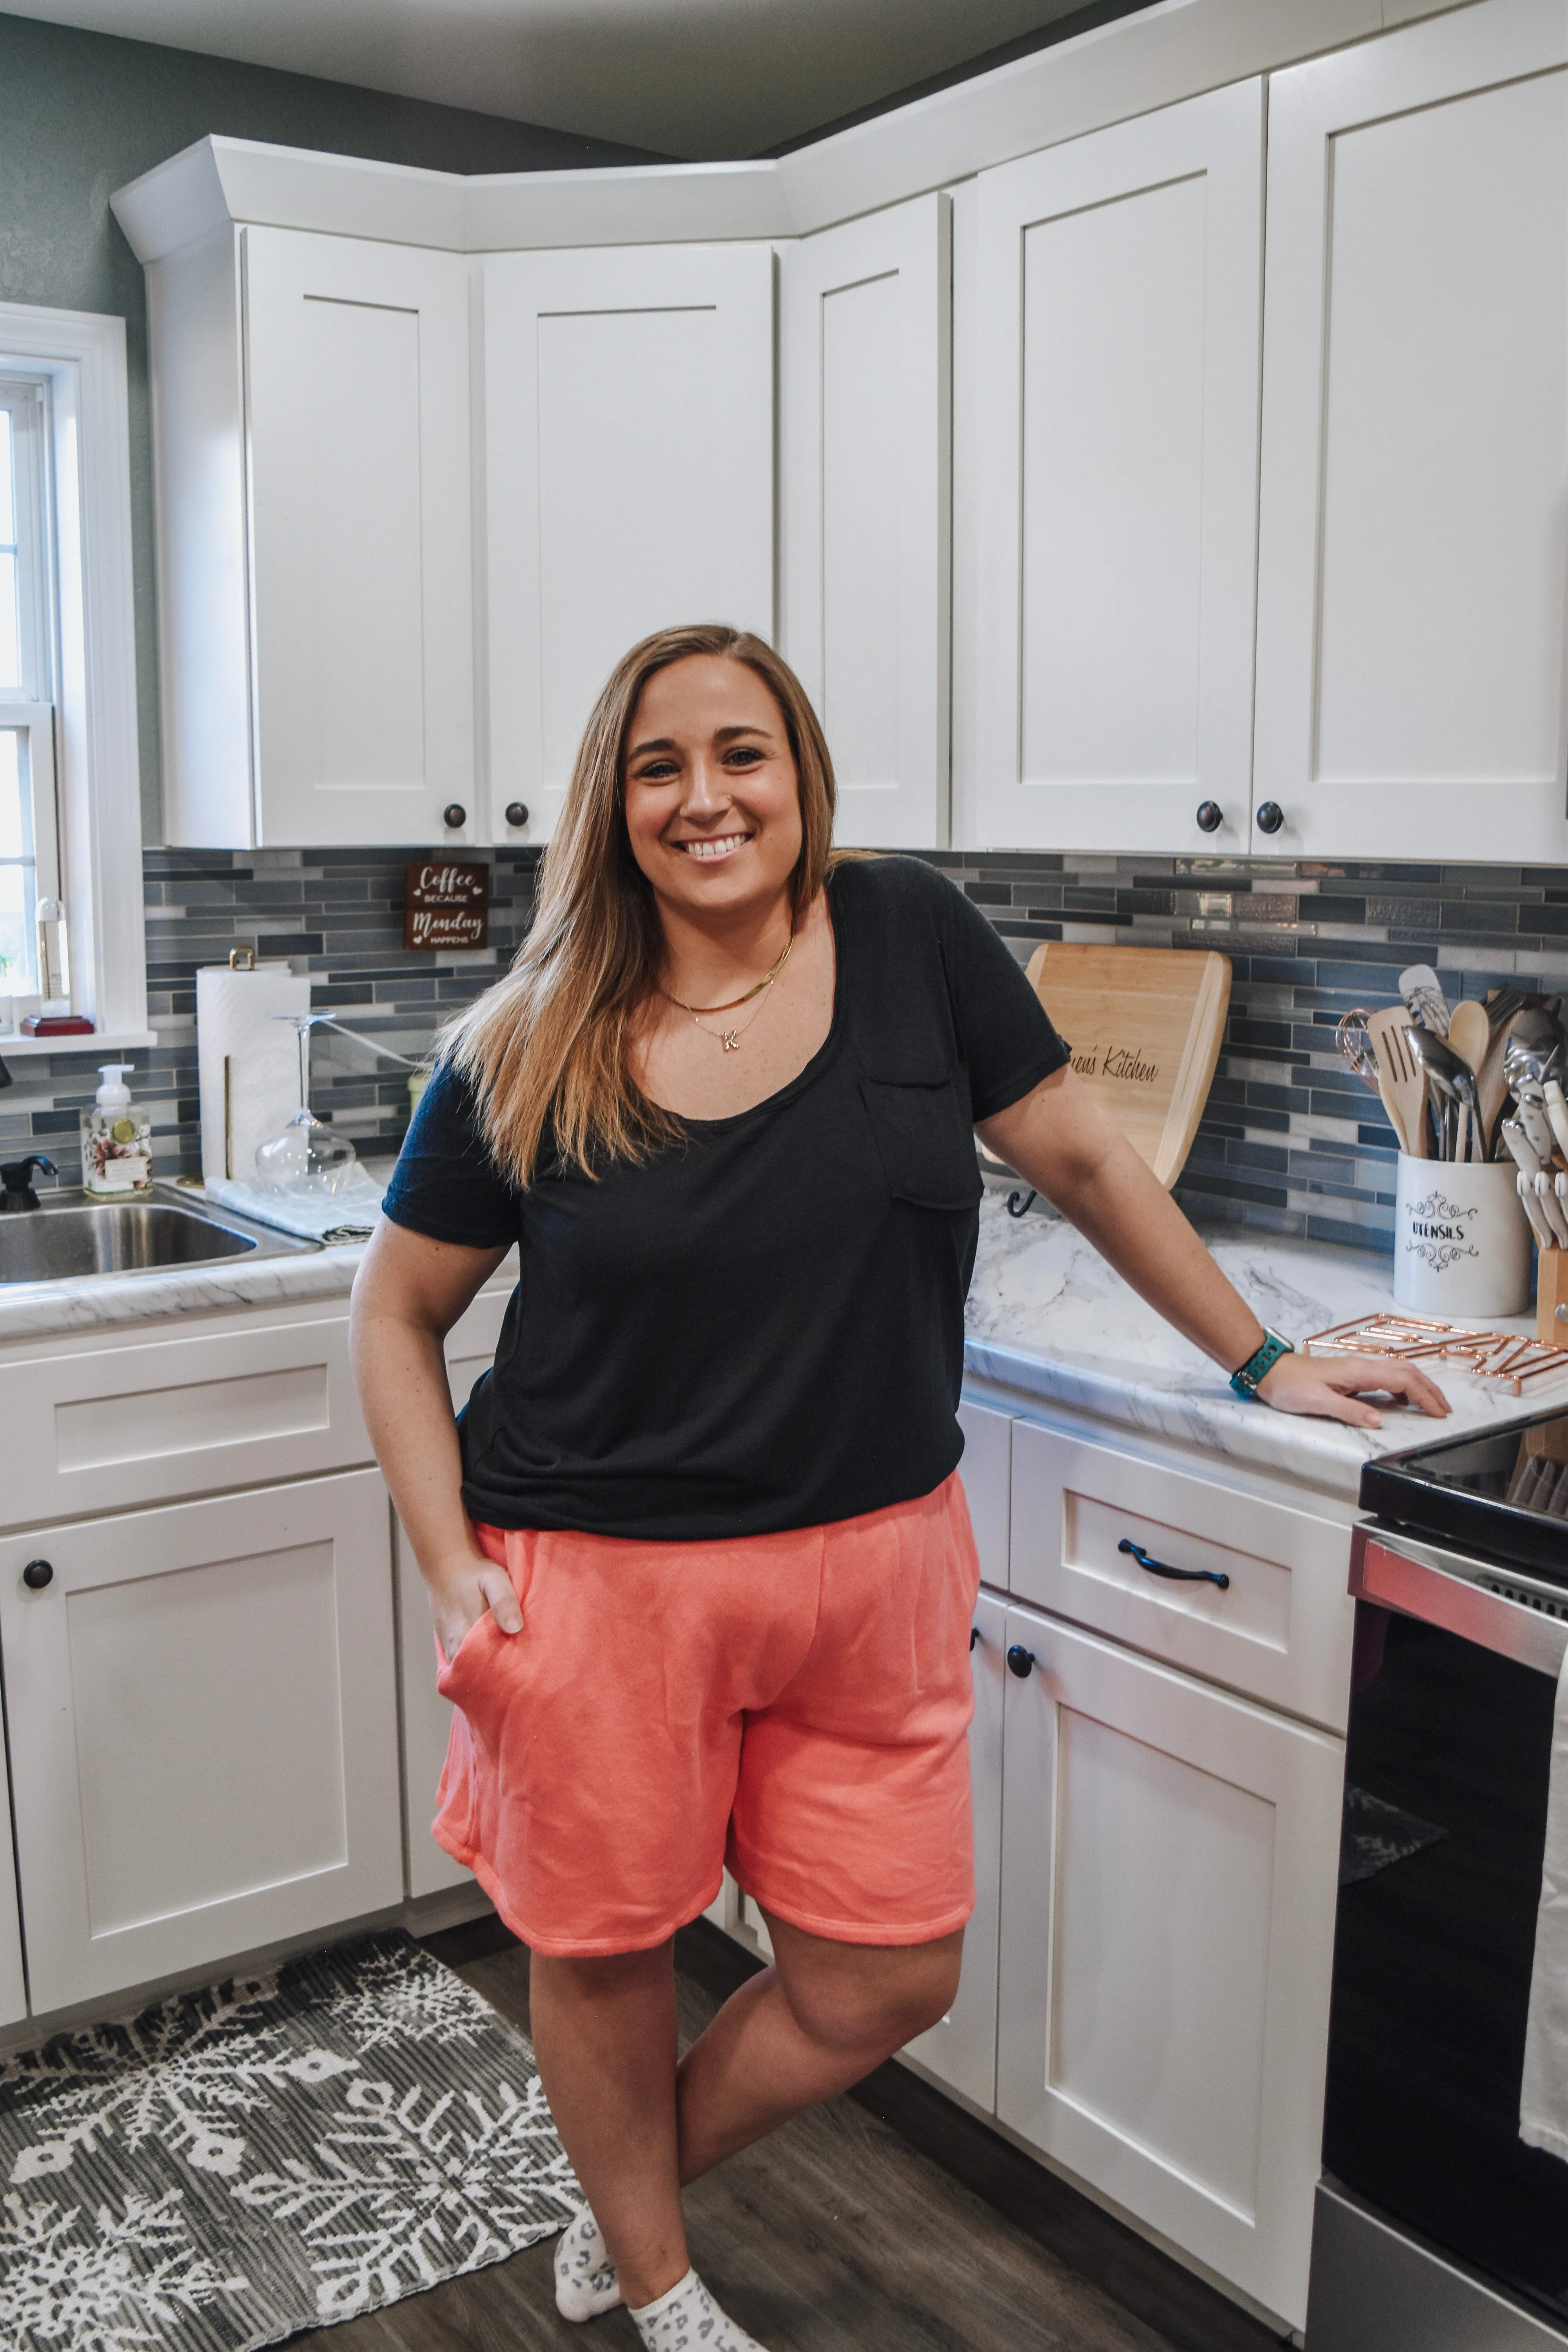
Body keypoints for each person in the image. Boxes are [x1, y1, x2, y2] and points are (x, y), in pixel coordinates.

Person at [350, 622, 1447, 2351]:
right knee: (609, 1950)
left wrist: (1265, 1362)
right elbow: (394, 1313)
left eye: (741, 752)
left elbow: (1081, 1154)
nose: (706, 796)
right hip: (601, 1580)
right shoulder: (529, 1036)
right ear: (609, 801)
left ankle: (624, 2187)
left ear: (800, 773)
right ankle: (654, 2276)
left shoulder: (911, 934)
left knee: (884, 1976)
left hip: (872, 1567)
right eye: (659, 765)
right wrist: (448, 1566)